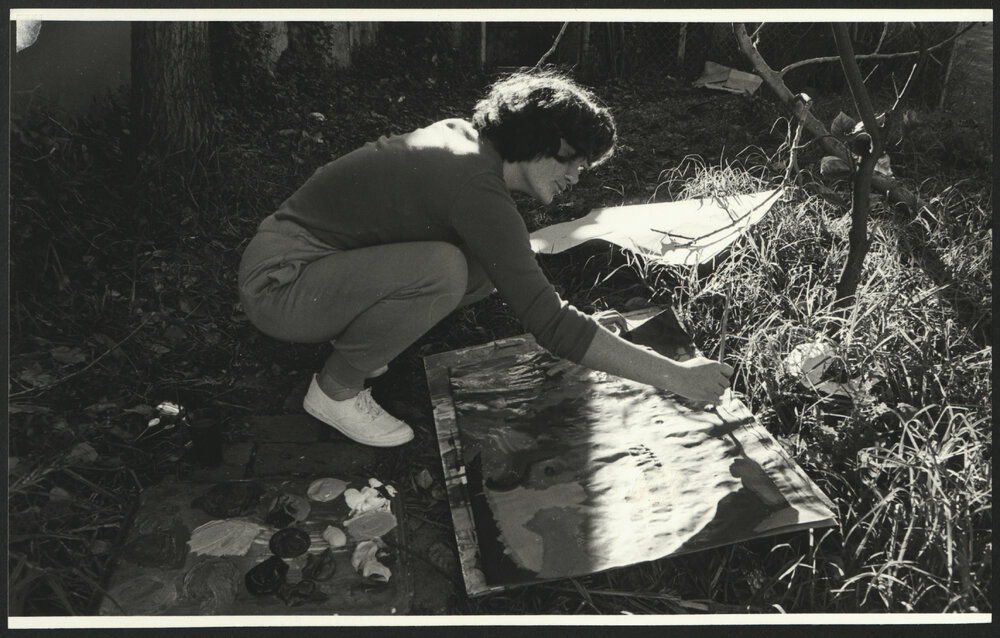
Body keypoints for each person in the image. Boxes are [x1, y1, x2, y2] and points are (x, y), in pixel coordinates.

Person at [238, 69, 733, 448]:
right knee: (444, 271)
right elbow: (552, 325)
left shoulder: (473, 151)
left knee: (478, 269)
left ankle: (360, 341)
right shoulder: (476, 186)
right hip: (281, 286)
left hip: (311, 267)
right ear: (548, 142)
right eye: (578, 163)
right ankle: (335, 390)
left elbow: (520, 277)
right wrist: (679, 376)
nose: (578, 177)